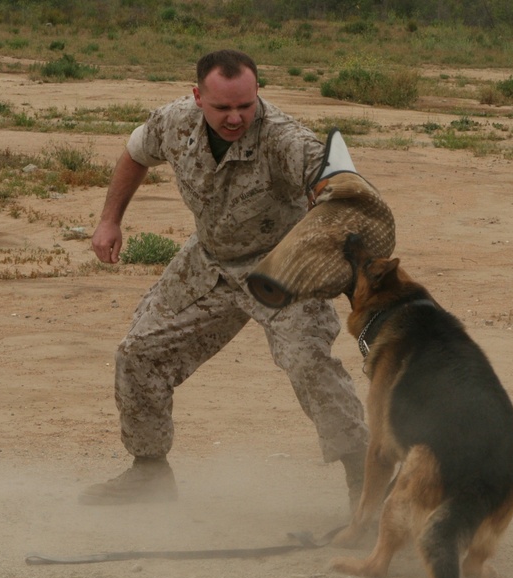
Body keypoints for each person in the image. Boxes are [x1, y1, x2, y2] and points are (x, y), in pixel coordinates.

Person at [79, 49, 368, 509]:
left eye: (245, 105)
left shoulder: (284, 138)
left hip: (282, 267)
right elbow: (135, 154)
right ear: (198, 97)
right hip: (210, 261)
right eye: (222, 108)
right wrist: (109, 220)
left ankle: (366, 484)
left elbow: (336, 182)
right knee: (139, 353)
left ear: (258, 95)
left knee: (308, 363)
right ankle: (149, 473)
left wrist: (335, 214)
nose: (236, 117)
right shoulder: (173, 122)